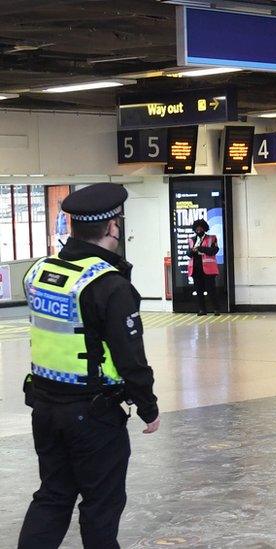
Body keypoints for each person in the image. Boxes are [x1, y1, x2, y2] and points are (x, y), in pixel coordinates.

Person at [19, 183, 160, 549]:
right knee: (101, 505)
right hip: (93, 416)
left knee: (53, 495)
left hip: (45, 408)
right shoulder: (109, 286)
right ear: (113, 227)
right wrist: (148, 408)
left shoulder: (39, 272)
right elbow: (131, 357)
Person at [188, 219, 220, 316]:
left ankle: (216, 309)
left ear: (204, 228)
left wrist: (201, 248)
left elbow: (214, 251)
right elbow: (188, 254)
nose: (198, 229)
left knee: (211, 290)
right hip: (195, 268)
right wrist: (192, 251)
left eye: (200, 227)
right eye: (197, 227)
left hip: (208, 269)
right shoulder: (191, 240)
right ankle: (202, 309)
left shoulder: (212, 238)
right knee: (199, 291)